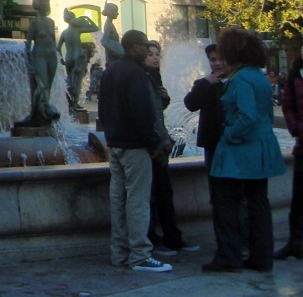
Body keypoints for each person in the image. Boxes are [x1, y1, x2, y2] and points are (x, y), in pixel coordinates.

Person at [203, 27, 285, 273]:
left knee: (225, 202)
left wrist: (229, 134)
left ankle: (229, 256)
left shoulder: (240, 78)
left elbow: (247, 117)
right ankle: (261, 257)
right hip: (260, 149)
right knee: (258, 203)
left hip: (241, 151)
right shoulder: (258, 75)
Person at [97, 29, 170, 273]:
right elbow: (143, 112)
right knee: (138, 201)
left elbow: (102, 111)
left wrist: (111, 137)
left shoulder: (110, 72)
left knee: (118, 201)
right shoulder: (137, 73)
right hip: (135, 146)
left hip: (115, 145)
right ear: (134, 47)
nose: (147, 48)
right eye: (144, 45)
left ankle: (119, 252)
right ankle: (139, 255)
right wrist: (152, 143)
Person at [144, 40, 198, 257]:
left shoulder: (154, 78)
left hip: (158, 146)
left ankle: (172, 236)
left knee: (164, 193)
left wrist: (164, 98)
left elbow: (157, 111)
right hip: (151, 147)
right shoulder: (141, 79)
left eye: (157, 53)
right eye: (150, 54)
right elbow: (146, 115)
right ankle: (154, 238)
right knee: (153, 195)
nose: (155, 57)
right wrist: (159, 140)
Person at [275, 43, 303, 260]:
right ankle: (295, 243)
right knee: (299, 197)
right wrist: (295, 129)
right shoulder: (295, 74)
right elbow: (287, 105)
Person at [15, 0, 59, 127]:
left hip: (52, 57)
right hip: (39, 56)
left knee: (48, 87)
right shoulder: (35, 22)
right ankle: (34, 114)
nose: (48, 5)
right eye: (46, 2)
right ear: (39, 4)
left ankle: (43, 113)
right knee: (41, 86)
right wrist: (29, 62)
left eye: (49, 2)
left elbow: (53, 41)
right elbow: (28, 43)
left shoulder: (51, 22)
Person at [183, 43, 226, 173]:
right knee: (214, 178)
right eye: (213, 60)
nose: (217, 63)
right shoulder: (203, 83)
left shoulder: (237, 80)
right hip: (212, 141)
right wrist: (207, 83)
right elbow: (190, 105)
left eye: (221, 59)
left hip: (233, 139)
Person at [58, 9, 98, 111]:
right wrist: (87, 18)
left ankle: (69, 104)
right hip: (78, 58)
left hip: (68, 58)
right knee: (78, 82)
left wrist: (61, 59)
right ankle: (75, 104)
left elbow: (58, 48)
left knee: (70, 80)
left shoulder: (64, 32)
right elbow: (95, 28)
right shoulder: (77, 30)